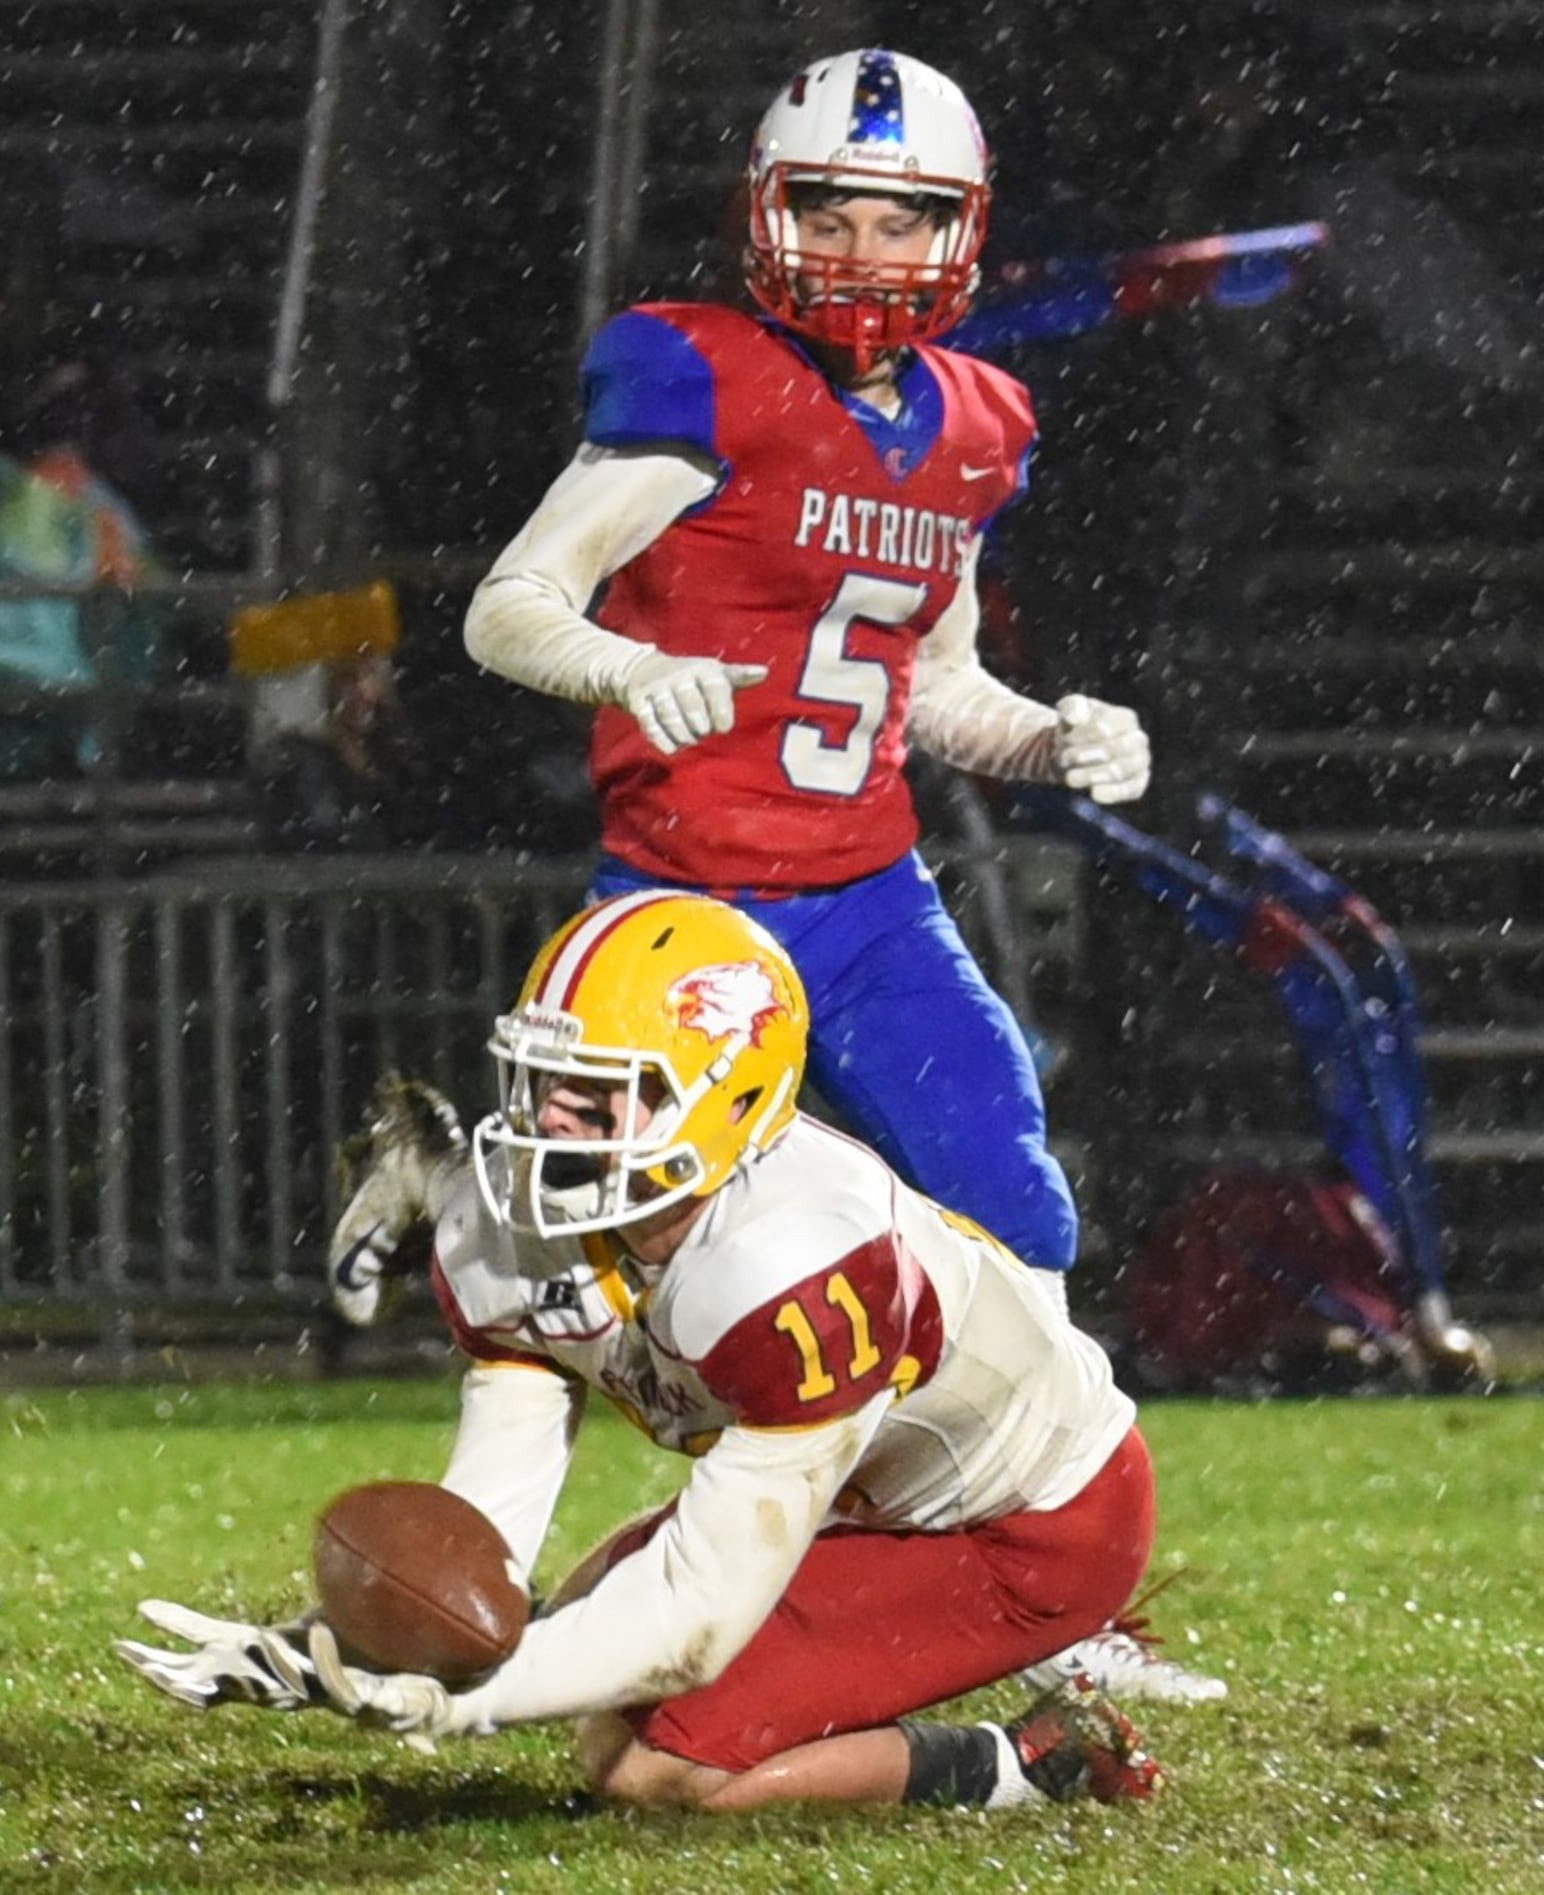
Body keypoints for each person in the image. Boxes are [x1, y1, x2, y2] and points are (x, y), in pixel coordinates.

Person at [461, 47, 1220, 1701]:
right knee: (593, 1256)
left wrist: (1053, 735)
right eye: (835, 207)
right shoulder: (696, 377)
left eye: (908, 216)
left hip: (871, 898)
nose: (870, 248)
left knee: (1011, 1201)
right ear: (767, 208)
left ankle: (1043, 1587)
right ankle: (490, 1558)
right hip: (679, 905)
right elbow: (507, 604)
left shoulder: (974, 423)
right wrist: (611, 669)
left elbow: (932, 684)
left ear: (962, 230)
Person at [118, 891, 1176, 1811]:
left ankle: (1033, 1759)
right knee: (571, 1638)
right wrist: (358, 1643)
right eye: (540, 1081)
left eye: (596, 1093)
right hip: (861, 1491)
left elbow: (694, 1614)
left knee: (644, 1767)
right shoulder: (508, 1225)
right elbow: (488, 1527)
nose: (549, 1121)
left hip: (1030, 1525)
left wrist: (469, 1696)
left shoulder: (798, 1256)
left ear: (727, 1098)